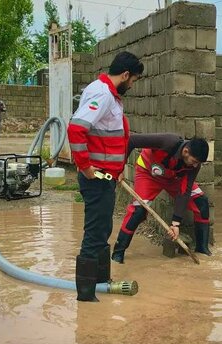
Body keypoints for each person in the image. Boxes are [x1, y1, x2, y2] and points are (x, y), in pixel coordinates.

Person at [67, 51, 143, 302]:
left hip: (106, 178)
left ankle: (100, 282)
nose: (132, 85)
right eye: (132, 80)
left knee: (102, 230)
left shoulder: (109, 94)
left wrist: (116, 172)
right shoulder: (102, 94)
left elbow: (110, 139)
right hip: (96, 179)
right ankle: (86, 295)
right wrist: (86, 167)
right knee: (94, 233)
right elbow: (76, 129)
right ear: (125, 75)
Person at [111, 133, 211, 265]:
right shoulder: (168, 142)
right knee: (138, 211)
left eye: (197, 163)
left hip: (174, 179)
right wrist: (119, 167)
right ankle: (118, 253)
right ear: (186, 151)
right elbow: (132, 140)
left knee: (201, 203)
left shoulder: (194, 166)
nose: (194, 166)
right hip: (148, 174)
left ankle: (202, 250)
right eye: (194, 161)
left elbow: (184, 192)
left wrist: (176, 224)